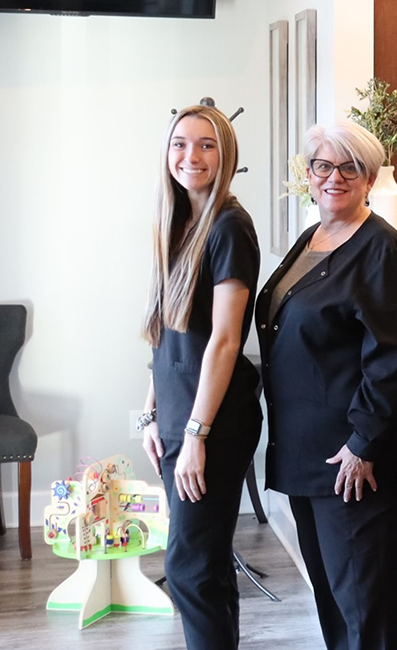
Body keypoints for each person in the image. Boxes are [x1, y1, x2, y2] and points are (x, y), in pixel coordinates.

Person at [255, 121, 397, 650]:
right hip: (308, 457)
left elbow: (393, 357)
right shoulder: (313, 237)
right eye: (323, 165)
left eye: (350, 167)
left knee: (365, 610)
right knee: (331, 600)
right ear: (308, 174)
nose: (335, 177)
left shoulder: (381, 250)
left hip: (352, 464)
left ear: (370, 177)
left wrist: (361, 445)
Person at [138, 104, 261, 650]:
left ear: (226, 154)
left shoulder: (230, 226)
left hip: (210, 424)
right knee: (203, 564)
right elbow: (168, 332)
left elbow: (226, 340)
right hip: (177, 415)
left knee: (188, 566)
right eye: (181, 144)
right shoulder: (176, 222)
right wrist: (151, 409)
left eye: (207, 144)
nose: (192, 156)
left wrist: (195, 435)